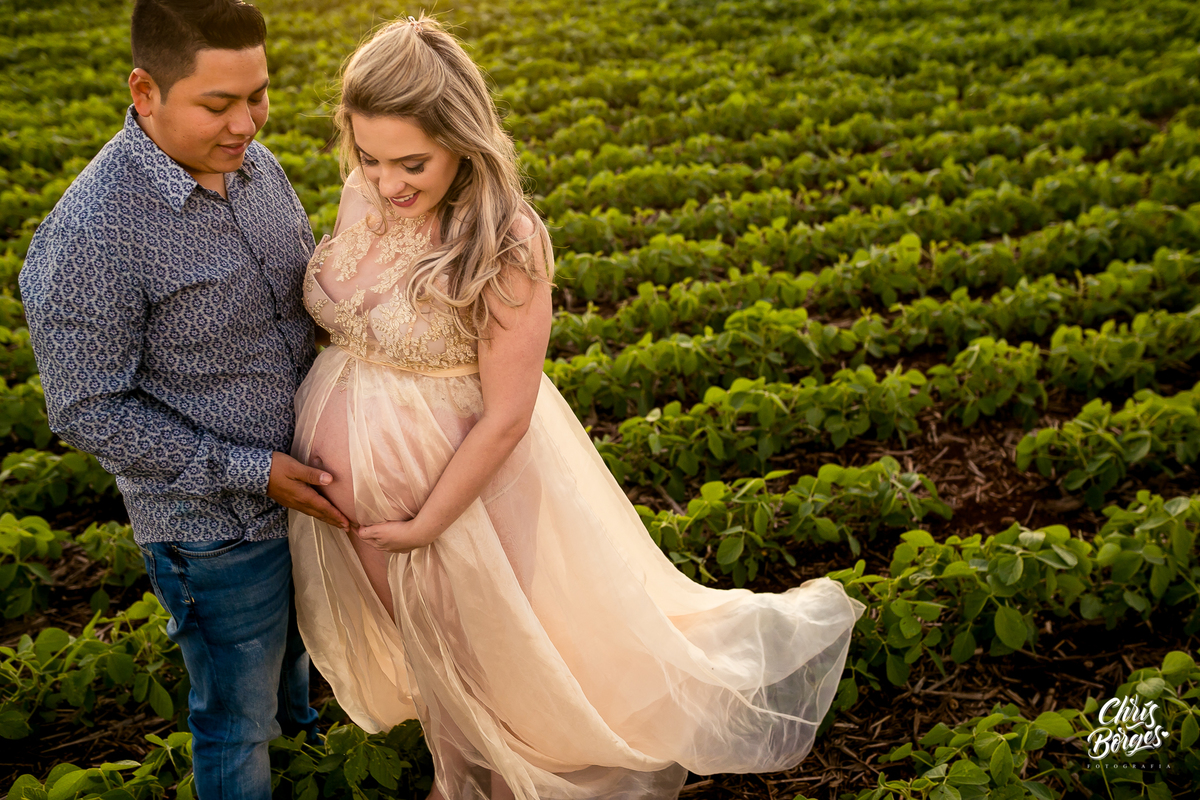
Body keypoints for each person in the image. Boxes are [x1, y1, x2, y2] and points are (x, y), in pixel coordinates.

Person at [289, 13, 866, 800]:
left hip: (454, 491)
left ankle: (485, 784)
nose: (389, 182)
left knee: (477, 649)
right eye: (369, 156)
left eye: (411, 162)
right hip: (356, 498)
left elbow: (507, 414)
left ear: (462, 137)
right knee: (422, 650)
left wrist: (428, 521)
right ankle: (457, 764)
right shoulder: (367, 189)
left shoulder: (507, 240)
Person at [19, 2, 350, 798]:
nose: (246, 122)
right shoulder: (93, 233)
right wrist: (247, 470)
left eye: (258, 94)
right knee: (235, 721)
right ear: (145, 90)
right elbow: (86, 408)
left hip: (305, 492)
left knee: (295, 676)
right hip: (214, 532)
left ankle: (308, 757)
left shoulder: (255, 166)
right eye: (218, 104)